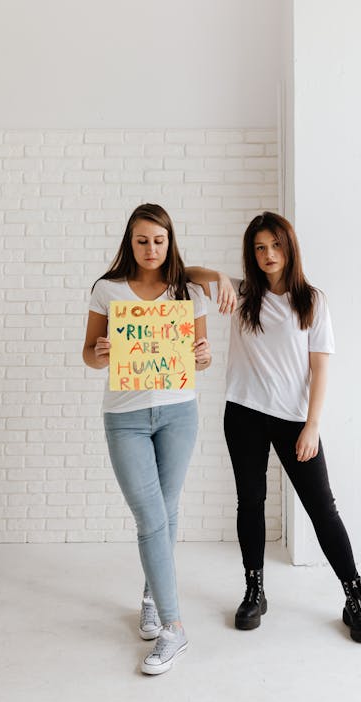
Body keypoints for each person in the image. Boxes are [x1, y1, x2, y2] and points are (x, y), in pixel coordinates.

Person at [186, 211, 361, 643]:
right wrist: (216, 274)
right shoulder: (240, 294)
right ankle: (254, 590)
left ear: (289, 247)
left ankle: (355, 598)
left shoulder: (312, 300)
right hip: (244, 415)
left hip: (294, 421)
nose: (268, 254)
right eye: (259, 247)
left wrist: (312, 426)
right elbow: (185, 273)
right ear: (251, 254)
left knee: (322, 509)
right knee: (249, 504)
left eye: (275, 245)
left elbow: (320, 369)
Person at [83, 203, 211, 674]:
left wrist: (201, 354)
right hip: (126, 417)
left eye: (159, 240)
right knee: (150, 517)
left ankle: (153, 598)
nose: (151, 248)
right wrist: (99, 352)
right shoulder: (107, 289)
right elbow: (90, 355)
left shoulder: (188, 291)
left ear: (170, 241)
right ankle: (174, 628)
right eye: (142, 240)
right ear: (129, 242)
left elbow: (201, 359)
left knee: (168, 509)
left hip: (179, 413)